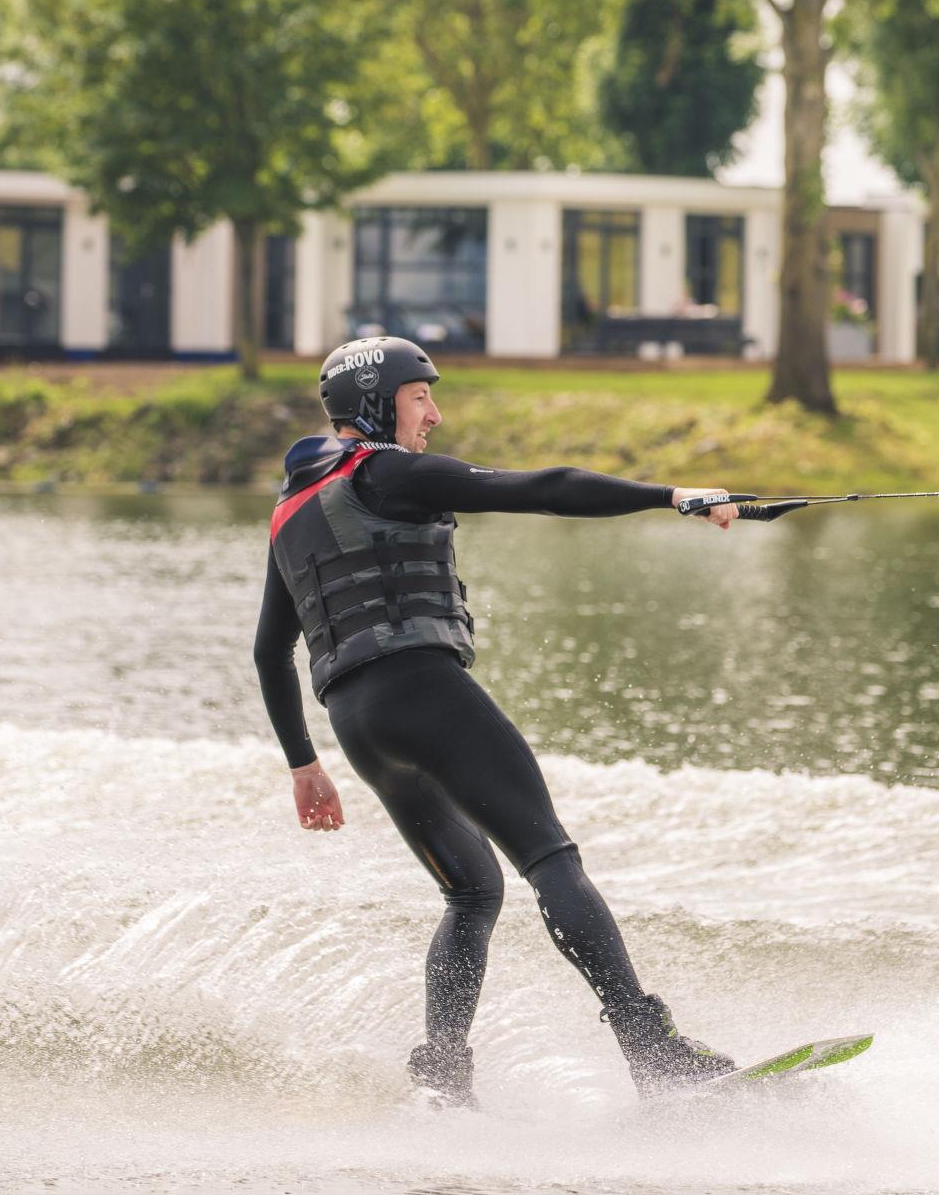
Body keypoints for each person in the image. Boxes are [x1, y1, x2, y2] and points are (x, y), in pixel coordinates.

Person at [252, 335, 743, 1108]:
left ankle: (443, 1077)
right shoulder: (387, 472)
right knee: (550, 859)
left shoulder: (290, 511)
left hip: (359, 727)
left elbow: (268, 650)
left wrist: (303, 765)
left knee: (473, 893)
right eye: (421, 397)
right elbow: (544, 487)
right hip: (422, 690)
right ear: (376, 404)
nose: (435, 415)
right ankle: (651, 1049)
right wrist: (672, 495)